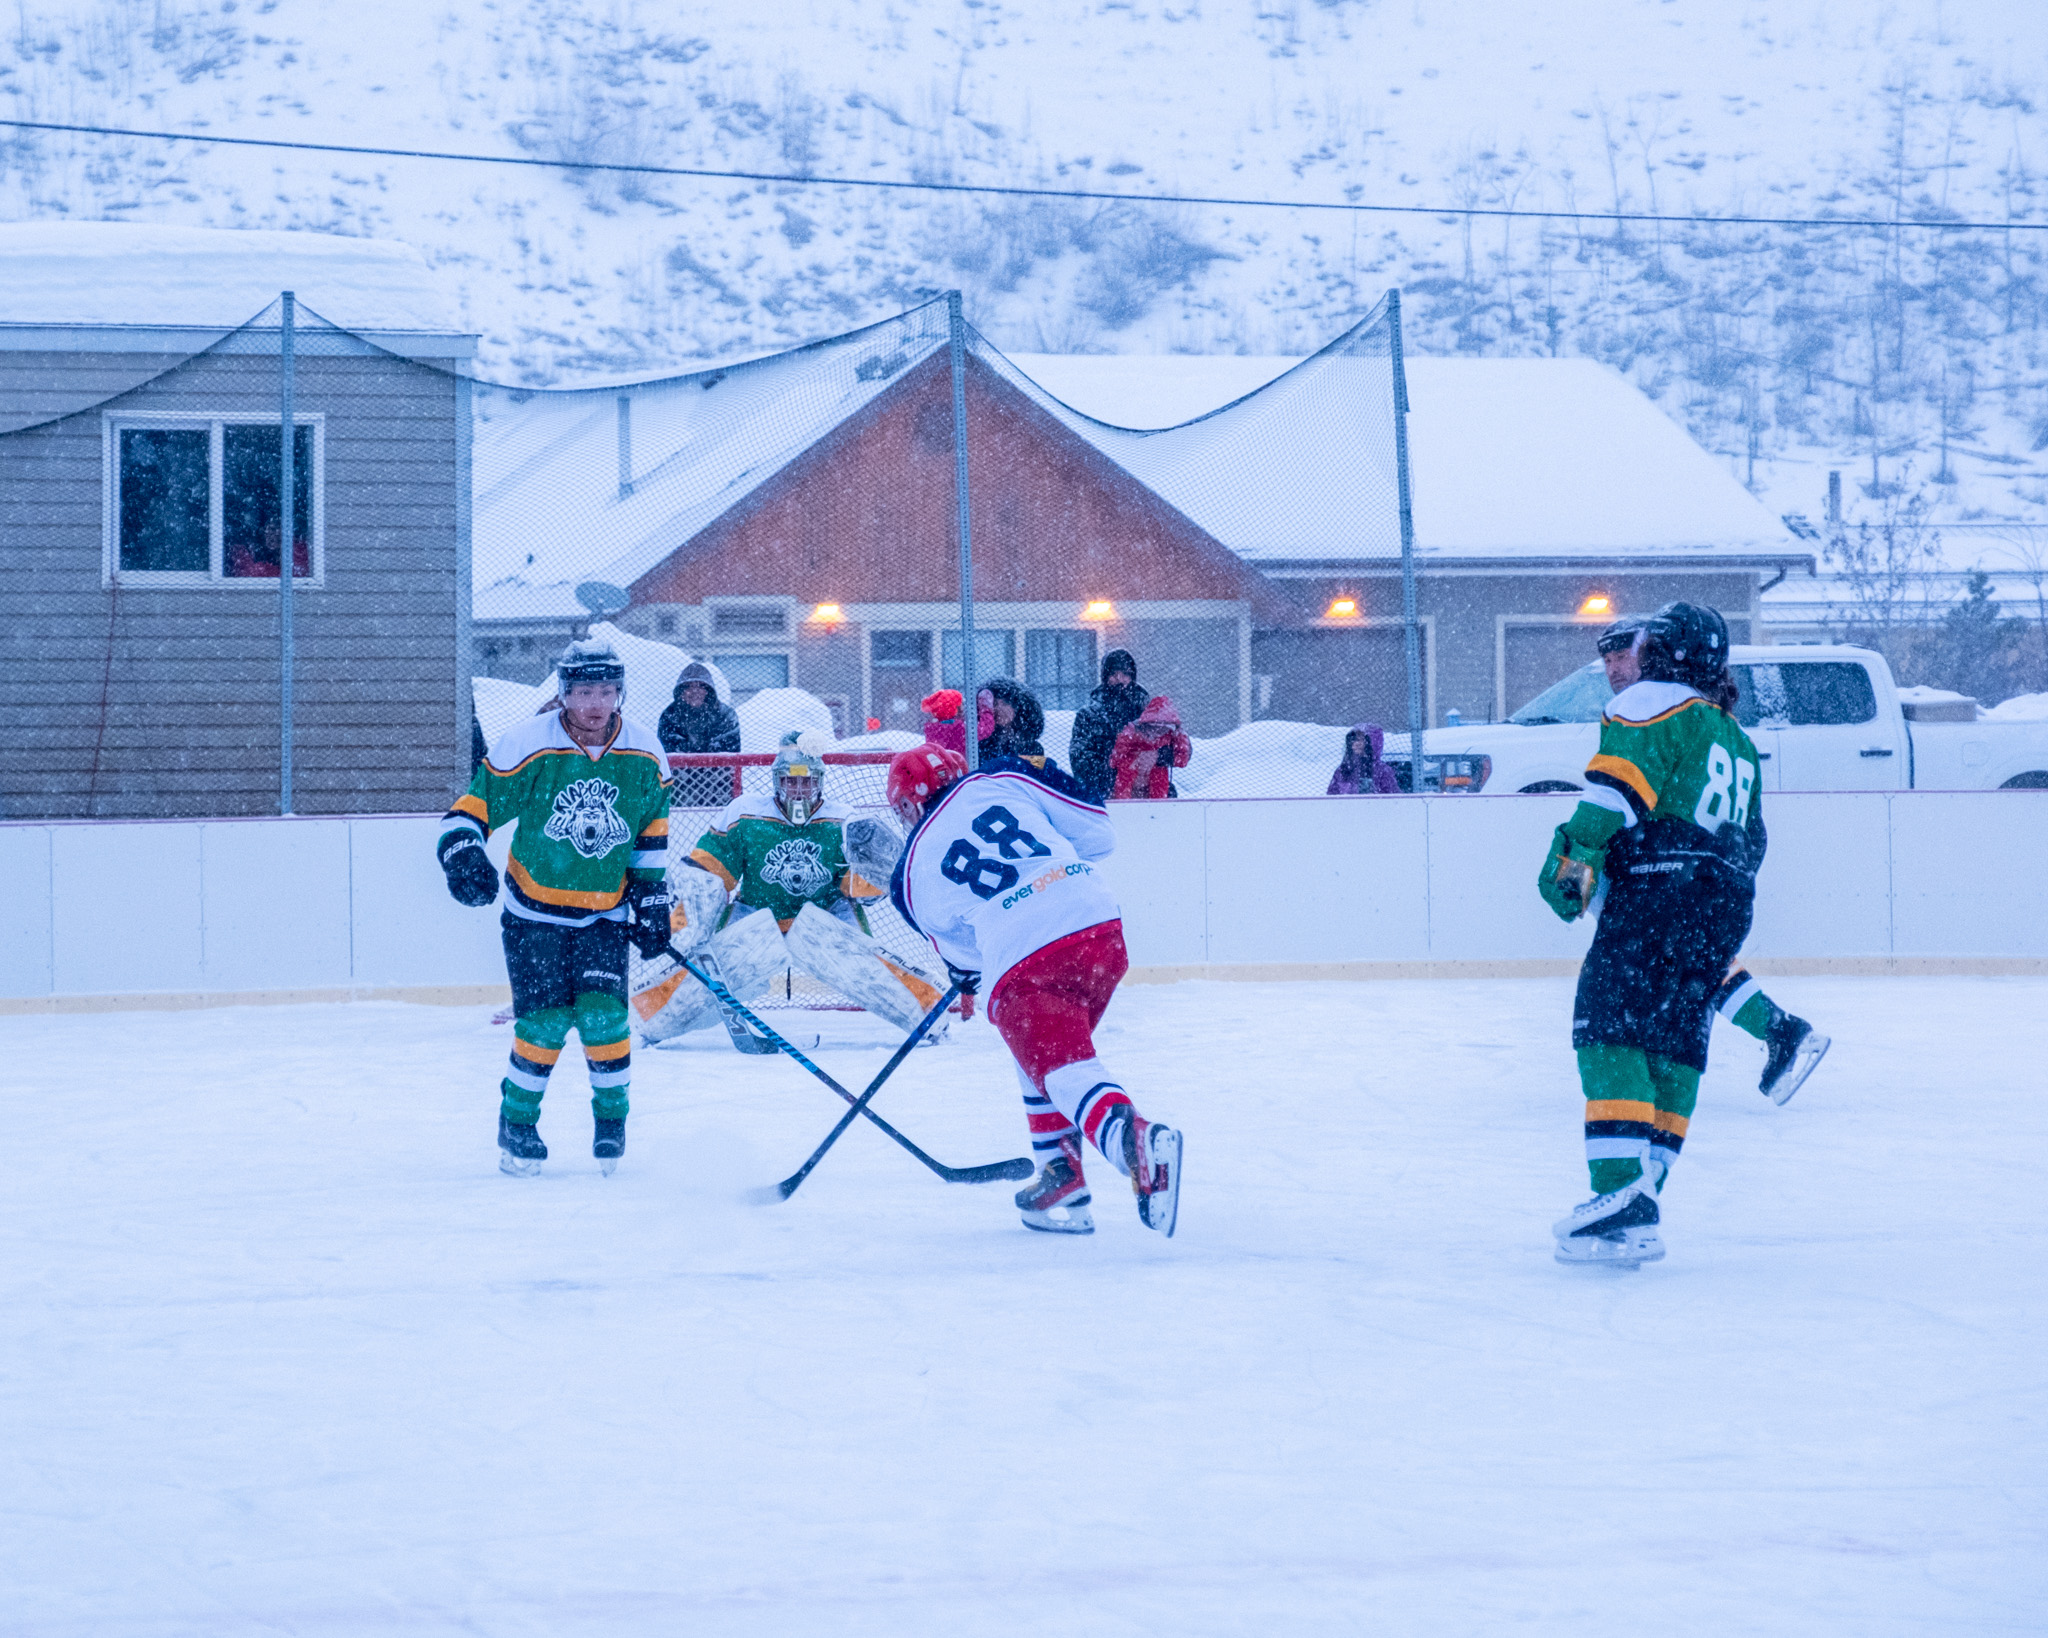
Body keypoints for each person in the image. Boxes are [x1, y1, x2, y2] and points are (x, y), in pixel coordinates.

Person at [1538, 603, 1775, 1267]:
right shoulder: (1734, 736)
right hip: (1723, 903)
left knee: (1609, 1031)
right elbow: (1755, 841)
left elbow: (1611, 800)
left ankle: (1621, 1192)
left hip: (1658, 894)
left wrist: (1572, 863)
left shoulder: (1651, 703)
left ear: (1662, 651)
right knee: (1674, 1048)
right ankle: (1642, 1198)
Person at [885, 743, 1183, 1237]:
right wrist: (1045, 872)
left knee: (1064, 1069)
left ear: (906, 807)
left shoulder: (906, 880)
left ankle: (1136, 1144)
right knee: (1044, 1053)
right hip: (1098, 928)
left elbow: (967, 964)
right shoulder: (1002, 775)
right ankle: (1060, 1175)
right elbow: (1099, 834)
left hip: (1028, 959)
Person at [436, 639, 674, 1178]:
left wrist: (652, 896)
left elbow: (651, 831)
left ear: (619, 693)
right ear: (564, 693)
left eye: (606, 691)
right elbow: (469, 812)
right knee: (544, 1025)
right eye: (584, 691)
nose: (596, 703)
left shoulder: (644, 753)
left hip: (603, 915)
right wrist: (463, 853)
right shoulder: (528, 744)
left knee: (605, 1019)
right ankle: (517, 1123)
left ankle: (611, 1121)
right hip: (533, 915)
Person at [1595, 617, 1829, 1104]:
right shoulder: (1714, 721)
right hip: (1704, 879)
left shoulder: (1653, 713)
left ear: (1652, 658)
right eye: (1607, 659)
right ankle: (1779, 1028)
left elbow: (1626, 802)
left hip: (1670, 876)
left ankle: (1768, 1031)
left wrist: (1594, 849)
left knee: (1670, 966)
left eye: (1623, 656)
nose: (1614, 668)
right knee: (1695, 961)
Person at [630, 732, 945, 1041]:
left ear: (819, 782)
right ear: (777, 781)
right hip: (757, 915)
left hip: (823, 917)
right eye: (791, 781)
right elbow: (710, 870)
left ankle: (930, 1011)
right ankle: (650, 1017)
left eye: (807, 782)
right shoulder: (745, 814)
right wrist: (689, 921)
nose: (799, 790)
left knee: (866, 971)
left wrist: (880, 871)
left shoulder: (843, 821)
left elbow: (858, 890)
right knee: (711, 975)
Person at [657, 661, 742, 808]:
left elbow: (729, 751)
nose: (694, 691)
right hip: (680, 786)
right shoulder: (669, 716)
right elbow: (669, 753)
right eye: (688, 687)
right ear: (681, 691)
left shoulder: (725, 715)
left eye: (700, 686)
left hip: (719, 785)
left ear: (708, 690)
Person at [1069, 649, 1147, 801]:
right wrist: (1112, 774)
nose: (1120, 680)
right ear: (1105, 677)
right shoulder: (1089, 715)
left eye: (1125, 674)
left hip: (1143, 784)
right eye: (1114, 674)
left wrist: (1152, 759)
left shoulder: (1147, 711)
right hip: (1103, 789)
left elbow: (1173, 746)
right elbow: (1079, 758)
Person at [1109, 694, 1192, 798]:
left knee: (1160, 771)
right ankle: (1122, 800)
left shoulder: (1170, 739)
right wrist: (1135, 756)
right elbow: (1115, 759)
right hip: (1129, 774)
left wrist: (1179, 735)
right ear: (1144, 725)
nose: (1156, 733)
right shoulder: (1131, 734)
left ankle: (1158, 802)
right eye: (1152, 727)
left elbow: (1182, 760)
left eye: (1163, 729)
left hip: (1155, 778)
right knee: (1126, 766)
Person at [977, 677, 1047, 763]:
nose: (998, 709)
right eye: (994, 704)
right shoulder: (980, 744)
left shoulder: (1033, 748)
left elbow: (1038, 769)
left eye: (1004, 703)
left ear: (1018, 707)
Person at [1326, 722, 1400, 795]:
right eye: (1353, 740)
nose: (1356, 743)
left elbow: (1394, 798)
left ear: (1371, 743)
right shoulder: (1343, 769)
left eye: (1360, 740)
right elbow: (1331, 796)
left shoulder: (1382, 771)